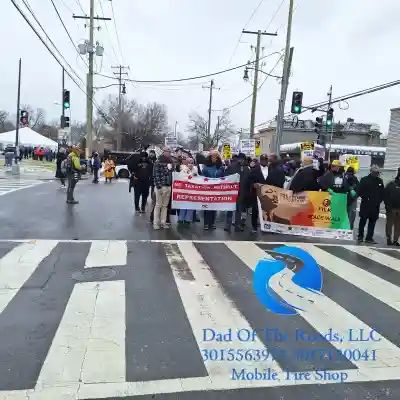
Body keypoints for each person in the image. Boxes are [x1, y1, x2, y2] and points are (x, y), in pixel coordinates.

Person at [244, 154, 285, 233]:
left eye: (266, 160)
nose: (265, 161)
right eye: (263, 159)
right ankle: (254, 227)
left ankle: (267, 227)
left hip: (268, 195)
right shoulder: (254, 170)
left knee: (268, 211)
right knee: (255, 210)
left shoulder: (272, 170)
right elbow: (248, 181)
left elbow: (277, 181)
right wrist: (253, 184)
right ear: (260, 160)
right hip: (257, 194)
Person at [357, 165, 385, 244]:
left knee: (372, 222)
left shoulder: (380, 181)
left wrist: (379, 200)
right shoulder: (364, 180)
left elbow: (382, 192)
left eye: (378, 173)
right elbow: (359, 191)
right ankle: (360, 236)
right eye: (375, 172)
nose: (377, 174)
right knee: (363, 221)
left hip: (375, 206)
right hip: (365, 205)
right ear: (371, 172)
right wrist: (365, 197)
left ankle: (369, 237)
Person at [224, 153, 250, 232]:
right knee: (230, 208)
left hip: (241, 191)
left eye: (242, 159)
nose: (240, 160)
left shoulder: (246, 168)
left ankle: (237, 224)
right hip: (232, 190)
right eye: (239, 158)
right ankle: (228, 224)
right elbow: (226, 177)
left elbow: (248, 180)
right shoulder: (231, 166)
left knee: (239, 208)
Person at [202, 151, 224, 230]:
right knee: (207, 207)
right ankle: (206, 223)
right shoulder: (205, 169)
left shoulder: (221, 168)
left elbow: (224, 178)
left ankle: (212, 222)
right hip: (207, 190)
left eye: (216, 157)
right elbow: (202, 179)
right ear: (210, 158)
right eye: (213, 156)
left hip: (216, 190)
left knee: (214, 207)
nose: (215, 158)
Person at [153, 147, 173, 230]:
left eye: (169, 151)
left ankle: (163, 222)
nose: (168, 153)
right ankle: (156, 223)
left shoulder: (171, 162)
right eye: (166, 151)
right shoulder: (158, 161)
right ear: (163, 152)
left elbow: (172, 173)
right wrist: (158, 186)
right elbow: (156, 174)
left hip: (168, 186)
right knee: (158, 205)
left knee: (165, 206)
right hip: (161, 186)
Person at [178, 157, 198, 225]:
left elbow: (198, 179)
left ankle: (188, 220)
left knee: (191, 206)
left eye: (192, 163)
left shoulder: (196, 170)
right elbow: (181, 179)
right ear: (186, 164)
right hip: (184, 191)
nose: (191, 164)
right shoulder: (183, 170)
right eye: (189, 163)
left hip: (192, 191)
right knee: (183, 206)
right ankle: (181, 219)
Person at [384, 167, 400, 246]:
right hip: (392, 209)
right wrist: (387, 206)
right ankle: (390, 239)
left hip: (395, 209)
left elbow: (385, 195)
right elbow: (385, 195)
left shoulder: (391, 184)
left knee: (396, 225)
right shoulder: (391, 184)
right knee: (391, 224)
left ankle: (394, 240)